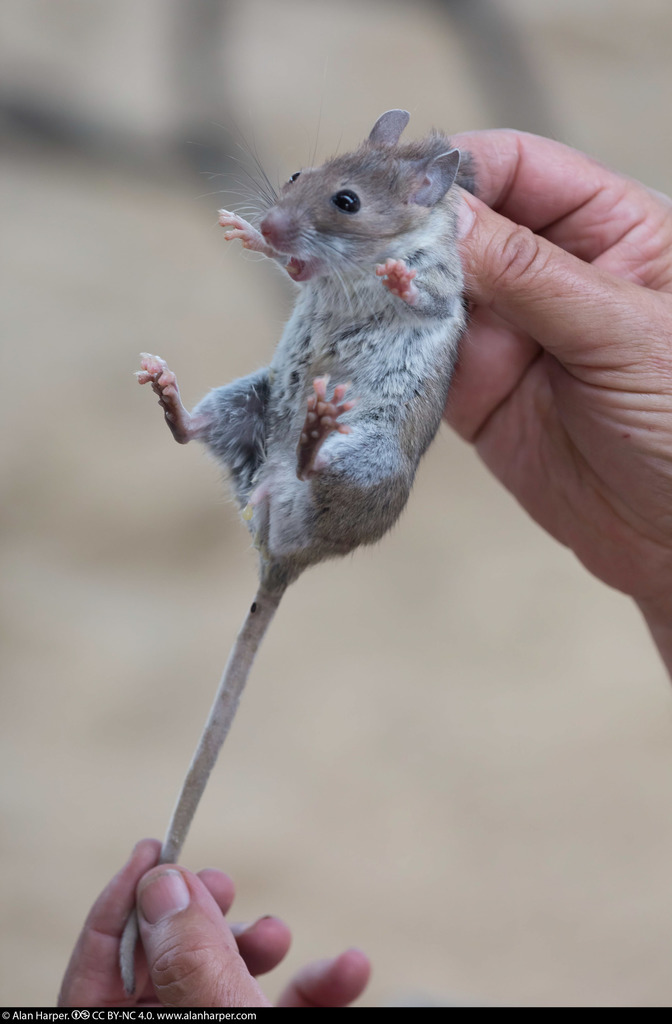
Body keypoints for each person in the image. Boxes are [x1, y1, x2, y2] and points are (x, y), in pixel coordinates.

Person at [60, 130, 672, 1007]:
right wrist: (286, 245)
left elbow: (430, 303)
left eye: (341, 205)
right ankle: (195, 420)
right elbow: (319, 266)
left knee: (370, 454)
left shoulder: (436, 246)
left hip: (341, 468)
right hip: (284, 443)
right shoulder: (361, 241)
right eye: (301, 183)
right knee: (242, 401)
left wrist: (397, 283)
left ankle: (314, 452)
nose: (295, 209)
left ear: (424, 193)